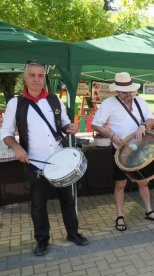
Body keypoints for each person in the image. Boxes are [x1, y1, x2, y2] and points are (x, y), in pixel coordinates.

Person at [0, 60, 89, 256]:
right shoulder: (16, 103)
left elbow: (64, 123)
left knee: (67, 199)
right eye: (32, 75)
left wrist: (70, 128)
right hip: (34, 163)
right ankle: (42, 241)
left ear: (44, 78)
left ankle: (73, 233)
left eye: (40, 76)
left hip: (60, 160)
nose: (36, 79)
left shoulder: (54, 100)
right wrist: (16, 147)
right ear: (25, 77)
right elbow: (5, 132)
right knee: (38, 205)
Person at [91, 72, 154, 231]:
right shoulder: (109, 103)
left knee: (143, 182)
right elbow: (96, 124)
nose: (128, 94)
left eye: (130, 91)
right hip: (121, 152)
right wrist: (111, 135)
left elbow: (152, 120)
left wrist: (144, 125)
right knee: (120, 184)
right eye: (125, 92)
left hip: (141, 151)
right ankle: (119, 216)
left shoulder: (139, 101)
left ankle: (148, 211)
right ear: (117, 91)